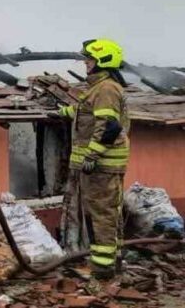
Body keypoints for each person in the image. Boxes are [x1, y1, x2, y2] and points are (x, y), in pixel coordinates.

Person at [58, 39, 130, 279]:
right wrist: (63, 112)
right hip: (101, 165)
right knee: (107, 212)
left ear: (103, 61)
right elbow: (87, 114)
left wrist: (92, 155)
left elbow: (108, 126)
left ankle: (102, 268)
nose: (85, 63)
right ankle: (112, 262)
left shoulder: (106, 88)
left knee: (102, 215)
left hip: (101, 165)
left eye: (89, 59)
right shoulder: (98, 88)